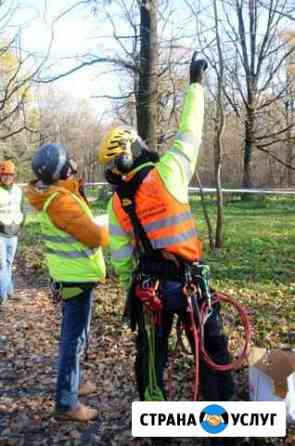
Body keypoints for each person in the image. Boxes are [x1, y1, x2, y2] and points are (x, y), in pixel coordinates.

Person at [97, 53, 235, 410]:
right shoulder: (169, 171)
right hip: (190, 280)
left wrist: (133, 283)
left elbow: (121, 255)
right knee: (210, 349)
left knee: (151, 358)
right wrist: (195, 84)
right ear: (139, 148)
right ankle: (224, 417)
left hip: (150, 288)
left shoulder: (117, 203)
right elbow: (191, 130)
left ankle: (154, 417)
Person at [26, 144, 108, 422]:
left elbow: (78, 227)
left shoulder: (57, 195)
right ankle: (66, 402)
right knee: (73, 341)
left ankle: (75, 382)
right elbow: (96, 237)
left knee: (78, 335)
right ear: (61, 169)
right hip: (77, 277)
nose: (74, 163)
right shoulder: (61, 201)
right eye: (68, 163)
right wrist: (112, 225)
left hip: (71, 275)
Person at [0, 160, 24, 306]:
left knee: (9, 263)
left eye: (10, 174)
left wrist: (21, 225)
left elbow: (22, 209)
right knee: (2, 265)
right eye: (4, 175)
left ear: (14, 176)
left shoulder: (18, 191)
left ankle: (9, 292)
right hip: (0, 233)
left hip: (13, 233)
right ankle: (2, 298)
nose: (7, 177)